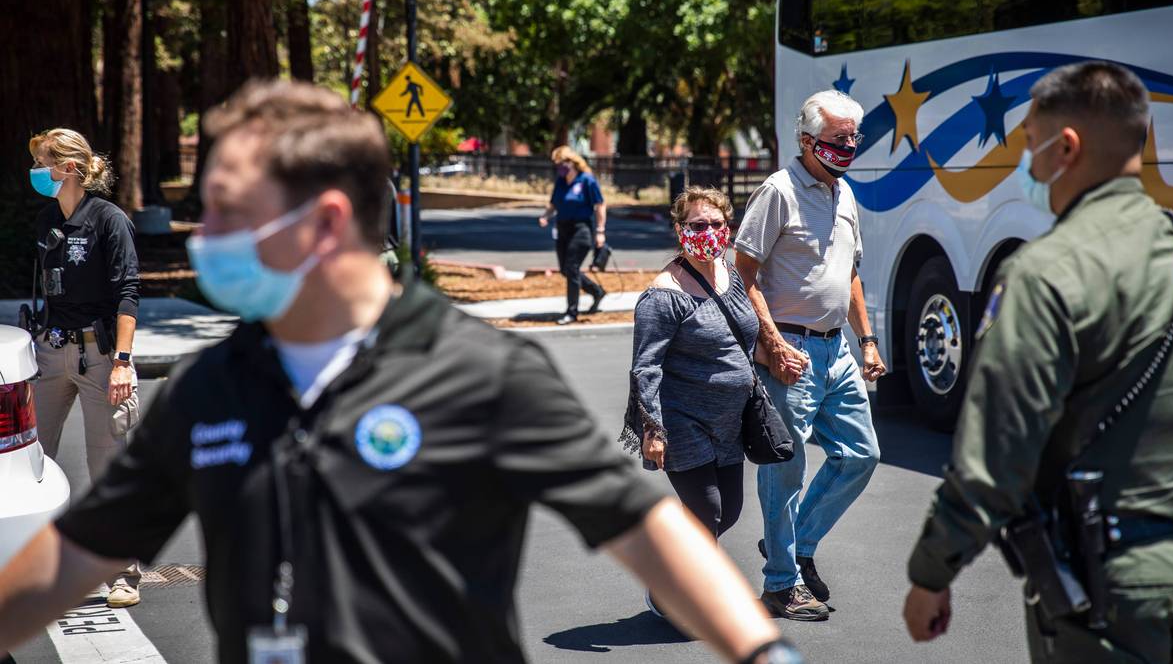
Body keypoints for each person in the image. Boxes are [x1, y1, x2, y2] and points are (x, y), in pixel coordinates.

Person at [0, 79, 803, 664]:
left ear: (325, 222)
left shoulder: (481, 373)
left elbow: (647, 530)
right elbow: (80, 553)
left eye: (232, 212)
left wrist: (760, 652)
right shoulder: (213, 388)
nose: (206, 235)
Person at [902, 61, 1173, 662]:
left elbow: (993, 459)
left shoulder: (1043, 275)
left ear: (1066, 148)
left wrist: (932, 573)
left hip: (1108, 585)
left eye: (1030, 144)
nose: (1026, 165)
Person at [734, 89, 887, 621]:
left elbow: (849, 275)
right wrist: (772, 344)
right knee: (785, 468)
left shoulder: (844, 193)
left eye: (853, 138)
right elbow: (742, 274)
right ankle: (779, 584)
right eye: (838, 139)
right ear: (806, 141)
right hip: (790, 351)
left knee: (860, 455)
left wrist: (866, 341)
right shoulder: (778, 191)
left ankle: (795, 547)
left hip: (836, 350)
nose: (848, 146)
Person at [623, 187, 755, 616]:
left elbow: (744, 333)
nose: (710, 233)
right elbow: (646, 368)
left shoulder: (729, 275)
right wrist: (653, 431)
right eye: (698, 225)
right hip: (682, 421)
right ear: (680, 231)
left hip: (729, 422)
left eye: (717, 224)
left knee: (728, 511)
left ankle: (669, 568)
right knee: (709, 512)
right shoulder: (662, 295)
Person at [27, 128, 143, 609]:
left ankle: (124, 573)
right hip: (51, 353)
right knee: (31, 463)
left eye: (43, 162)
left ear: (69, 168)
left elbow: (128, 292)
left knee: (106, 465)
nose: (36, 172)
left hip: (99, 356)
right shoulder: (46, 221)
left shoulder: (109, 220)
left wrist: (121, 362)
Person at [537, 146, 607, 325]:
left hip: (581, 229)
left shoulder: (587, 181)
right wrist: (545, 216)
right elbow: (553, 203)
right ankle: (596, 291)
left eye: (561, 163)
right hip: (562, 228)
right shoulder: (560, 181)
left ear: (571, 162)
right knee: (565, 269)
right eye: (557, 164)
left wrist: (600, 231)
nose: (559, 167)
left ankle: (572, 312)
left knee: (572, 267)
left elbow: (600, 205)